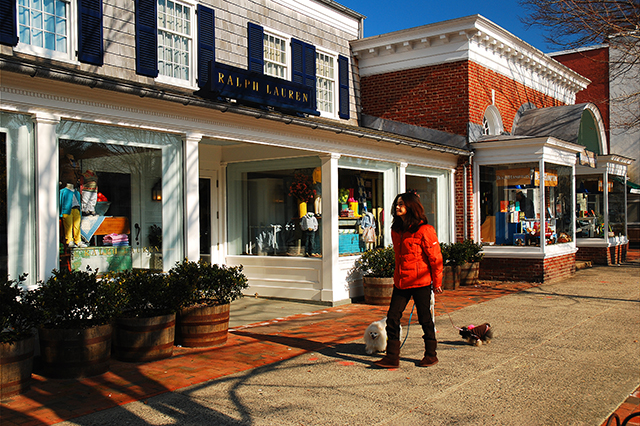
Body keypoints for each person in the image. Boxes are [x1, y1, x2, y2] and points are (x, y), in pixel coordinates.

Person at [373, 191, 443, 369]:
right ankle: (392, 357)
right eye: (397, 203)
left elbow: (435, 258)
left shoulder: (425, 230)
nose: (398, 206)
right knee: (392, 318)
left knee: (425, 319)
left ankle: (431, 355)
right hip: (401, 281)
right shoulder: (396, 230)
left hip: (421, 281)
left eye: (402, 204)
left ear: (411, 206)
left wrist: (437, 283)